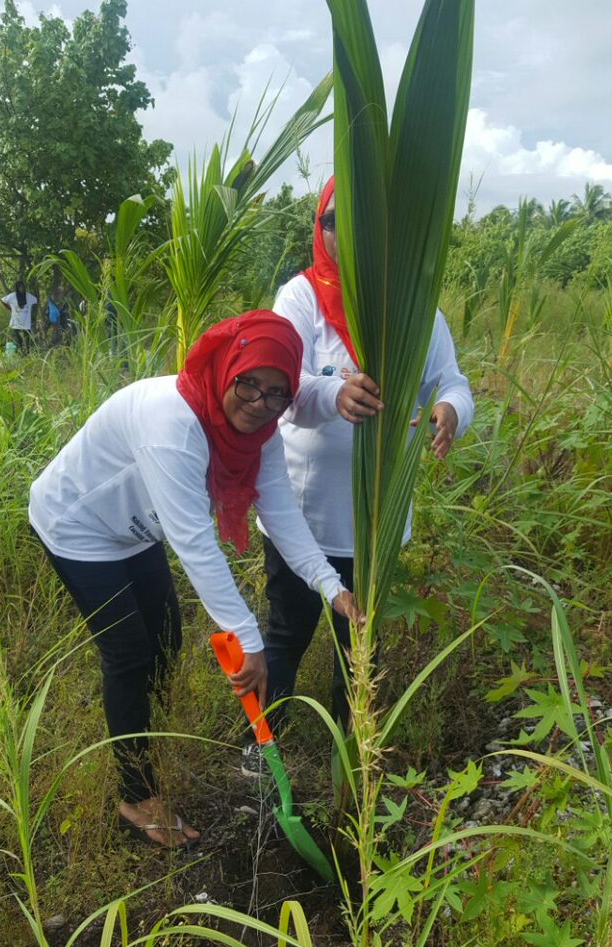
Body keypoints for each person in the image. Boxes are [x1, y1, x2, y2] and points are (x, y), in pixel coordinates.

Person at [29, 311, 358, 848]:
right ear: (226, 367)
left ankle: (144, 741)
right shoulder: (173, 424)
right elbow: (195, 545)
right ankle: (135, 797)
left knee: (166, 638)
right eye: (248, 383)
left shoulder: (260, 436)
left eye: (277, 392)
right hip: (77, 525)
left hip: (133, 531)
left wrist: (331, 586)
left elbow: (282, 514)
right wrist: (248, 641)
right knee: (129, 654)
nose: (260, 402)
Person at [243, 176, 474, 776]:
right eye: (332, 222)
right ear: (319, 229)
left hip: (374, 520)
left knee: (359, 645)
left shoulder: (414, 309)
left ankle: (353, 757)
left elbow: (450, 380)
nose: (344, 235)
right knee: (287, 633)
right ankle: (262, 750)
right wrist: (332, 393)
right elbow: (281, 386)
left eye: (359, 222)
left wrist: (450, 410)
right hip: (303, 515)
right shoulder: (300, 298)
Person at [1, 281, 37, 353]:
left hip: (26, 324)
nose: (21, 288)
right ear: (17, 288)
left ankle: (27, 355)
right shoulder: (12, 296)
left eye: (23, 287)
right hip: (16, 323)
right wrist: (10, 308)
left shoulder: (28, 296)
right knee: (18, 342)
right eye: (20, 287)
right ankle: (20, 355)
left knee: (27, 342)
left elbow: (36, 300)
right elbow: (2, 300)